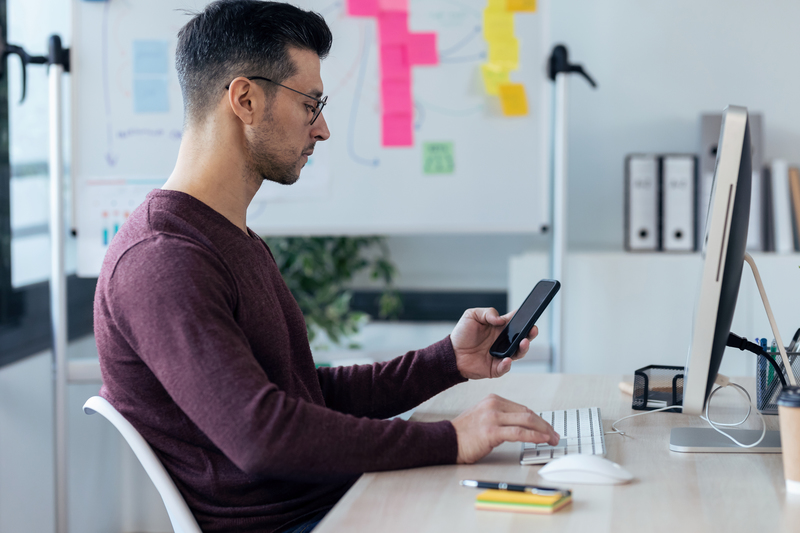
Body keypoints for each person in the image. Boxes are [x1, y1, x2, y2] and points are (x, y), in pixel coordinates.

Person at [93, 1, 560, 532]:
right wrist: (451, 438)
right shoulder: (162, 260)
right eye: (310, 104)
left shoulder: (226, 237)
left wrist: (446, 361)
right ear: (245, 100)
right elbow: (262, 435)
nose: (323, 130)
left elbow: (303, 398)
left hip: (331, 502)